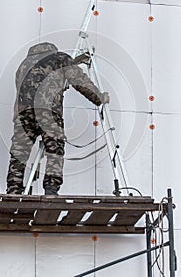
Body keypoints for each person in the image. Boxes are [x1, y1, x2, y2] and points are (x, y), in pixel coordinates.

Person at [6, 42, 109, 195]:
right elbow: (80, 81)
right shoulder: (59, 58)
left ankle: (13, 190)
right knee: (54, 148)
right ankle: (51, 188)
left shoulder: (23, 65)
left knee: (19, 152)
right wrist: (99, 98)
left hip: (23, 113)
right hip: (47, 111)